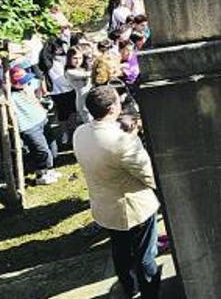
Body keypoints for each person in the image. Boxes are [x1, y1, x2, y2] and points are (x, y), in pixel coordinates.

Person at [73, 86, 161, 299]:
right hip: (133, 207)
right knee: (145, 255)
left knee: (120, 252)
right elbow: (148, 174)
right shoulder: (123, 141)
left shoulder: (80, 132)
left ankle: (128, 288)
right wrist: (134, 139)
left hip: (104, 206)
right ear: (112, 108)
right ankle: (150, 292)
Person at [9, 67, 60, 185]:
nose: (26, 83)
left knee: (50, 144)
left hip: (41, 118)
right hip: (28, 126)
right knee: (40, 149)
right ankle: (41, 174)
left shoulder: (28, 86)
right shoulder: (9, 96)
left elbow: (38, 82)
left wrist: (41, 97)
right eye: (22, 81)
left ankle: (50, 170)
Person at [65, 47, 93, 125]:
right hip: (83, 102)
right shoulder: (70, 72)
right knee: (90, 124)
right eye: (75, 58)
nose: (78, 61)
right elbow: (87, 75)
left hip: (91, 98)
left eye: (80, 58)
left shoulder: (83, 68)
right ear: (69, 58)